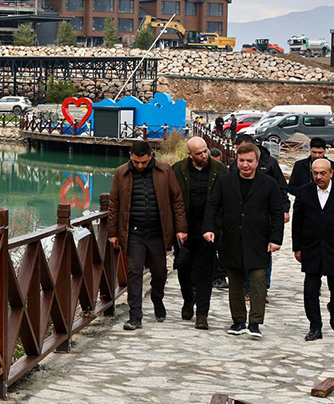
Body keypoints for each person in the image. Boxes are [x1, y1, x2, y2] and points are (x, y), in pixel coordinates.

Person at [203, 142, 284, 339]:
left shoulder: (269, 184)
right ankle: (238, 320)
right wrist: (209, 228)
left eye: (249, 161)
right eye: (241, 161)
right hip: (231, 238)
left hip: (259, 240)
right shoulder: (224, 181)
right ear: (236, 161)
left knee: (257, 282)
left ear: (257, 162)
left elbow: (277, 213)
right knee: (236, 283)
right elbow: (213, 205)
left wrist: (275, 238)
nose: (245, 165)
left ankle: (255, 323)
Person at [108, 140, 188, 331]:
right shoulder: (121, 173)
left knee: (159, 272)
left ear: (151, 156)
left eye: (144, 162)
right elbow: (114, 204)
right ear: (131, 157)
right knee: (134, 272)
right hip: (133, 232)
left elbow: (177, 200)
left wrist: (181, 228)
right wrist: (112, 233)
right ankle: (135, 316)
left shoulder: (165, 170)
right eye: (136, 162)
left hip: (157, 232)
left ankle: (157, 297)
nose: (140, 166)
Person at [293, 159, 334, 341]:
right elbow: (297, 222)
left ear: (331, 173)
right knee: (310, 290)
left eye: (323, 173)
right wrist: (297, 248)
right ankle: (315, 326)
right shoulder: (303, 192)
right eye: (315, 173)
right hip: (311, 248)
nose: (319, 176)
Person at [173, 137, 229, 330]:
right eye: (199, 153)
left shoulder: (220, 171)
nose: (204, 155)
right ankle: (188, 299)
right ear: (190, 154)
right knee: (183, 269)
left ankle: (202, 315)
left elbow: (225, 203)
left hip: (209, 230)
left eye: (205, 151)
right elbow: (172, 199)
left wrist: (217, 227)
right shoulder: (178, 170)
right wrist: (176, 227)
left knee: (205, 272)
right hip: (184, 230)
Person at [233, 133, 290, 302]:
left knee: (265, 251)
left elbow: (281, 188)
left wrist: (284, 209)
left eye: (247, 157)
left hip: (264, 216)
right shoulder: (235, 165)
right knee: (242, 251)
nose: (244, 163)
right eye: (239, 156)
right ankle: (246, 287)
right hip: (242, 217)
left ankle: (263, 286)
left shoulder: (270, 163)